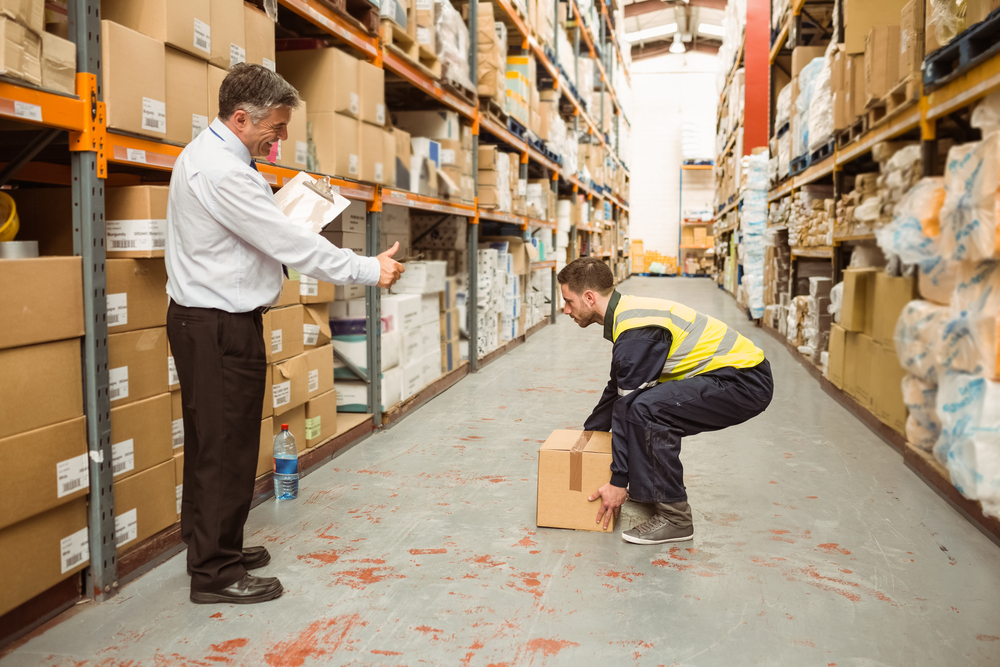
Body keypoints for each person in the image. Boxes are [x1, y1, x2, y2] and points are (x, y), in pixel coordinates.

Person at [165, 64, 404, 605]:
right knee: (227, 447)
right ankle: (215, 573)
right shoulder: (224, 173)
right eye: (275, 125)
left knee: (210, 441)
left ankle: (209, 544)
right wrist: (369, 269)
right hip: (218, 326)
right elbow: (290, 244)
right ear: (241, 118)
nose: (283, 136)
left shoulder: (212, 156)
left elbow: (259, 235)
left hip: (205, 321)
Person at [557, 258, 773, 545]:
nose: (565, 310)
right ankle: (651, 491)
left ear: (589, 297)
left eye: (568, 301)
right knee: (641, 405)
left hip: (744, 381)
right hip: (729, 375)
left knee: (647, 411)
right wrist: (588, 438)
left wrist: (618, 481)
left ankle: (676, 519)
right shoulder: (627, 314)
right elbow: (616, 388)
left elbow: (626, 406)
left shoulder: (636, 332)